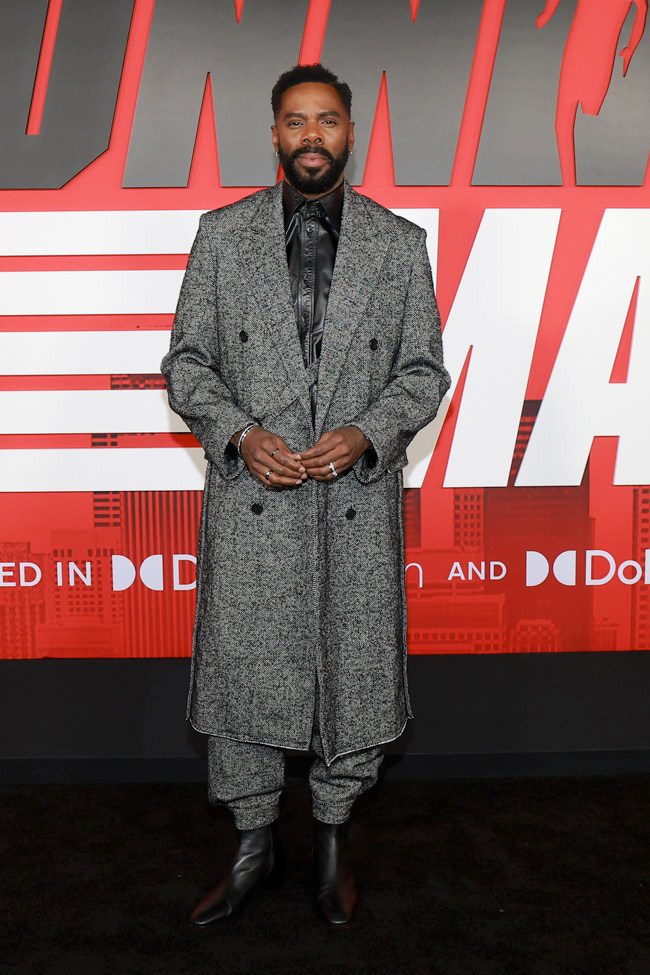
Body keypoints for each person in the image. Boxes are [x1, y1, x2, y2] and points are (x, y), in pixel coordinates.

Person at [161, 62, 450, 927]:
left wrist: (365, 432)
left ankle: (331, 840)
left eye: (327, 120)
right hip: (255, 498)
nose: (312, 135)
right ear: (275, 134)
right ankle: (254, 842)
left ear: (350, 134)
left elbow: (423, 371)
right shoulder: (223, 236)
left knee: (352, 673)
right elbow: (186, 362)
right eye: (296, 121)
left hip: (352, 500)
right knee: (244, 677)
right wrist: (240, 434)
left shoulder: (399, 244)